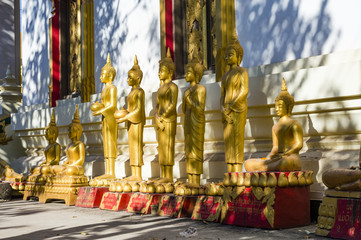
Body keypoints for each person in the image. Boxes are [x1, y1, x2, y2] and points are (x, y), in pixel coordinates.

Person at [244, 78, 303, 172]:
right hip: (277, 157)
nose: (277, 109)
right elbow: (275, 147)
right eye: (275, 106)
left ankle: (263, 169)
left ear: (288, 107)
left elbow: (299, 144)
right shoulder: (275, 127)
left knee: (284, 163)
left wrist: (286, 153)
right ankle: (265, 167)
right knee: (248, 163)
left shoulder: (294, 124)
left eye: (280, 106)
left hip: (291, 157)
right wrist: (269, 157)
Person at [220, 31, 249, 173]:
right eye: (226, 55)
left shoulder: (242, 72)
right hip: (226, 111)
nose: (226, 57)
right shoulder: (225, 76)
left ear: (238, 57)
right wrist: (222, 109)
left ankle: (237, 172)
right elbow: (222, 94)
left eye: (230, 54)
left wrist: (230, 107)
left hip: (237, 109)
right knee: (228, 141)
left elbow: (244, 91)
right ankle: (230, 171)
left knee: (237, 140)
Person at [115, 55, 145, 181]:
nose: (127, 80)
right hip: (131, 121)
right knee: (131, 146)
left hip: (136, 122)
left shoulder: (140, 92)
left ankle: (137, 174)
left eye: (130, 77)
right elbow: (131, 108)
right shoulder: (131, 93)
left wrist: (125, 117)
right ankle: (133, 173)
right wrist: (125, 112)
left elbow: (138, 110)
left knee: (137, 146)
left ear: (137, 79)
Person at [91, 54, 118, 180]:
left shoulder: (112, 88)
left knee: (111, 143)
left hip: (110, 118)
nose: (100, 76)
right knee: (106, 144)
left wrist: (101, 110)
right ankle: (108, 170)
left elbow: (112, 105)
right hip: (105, 118)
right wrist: (99, 106)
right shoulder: (104, 90)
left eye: (103, 73)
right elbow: (106, 104)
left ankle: (111, 172)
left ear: (110, 76)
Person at [155, 48, 178, 183]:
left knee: (168, 147)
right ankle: (163, 174)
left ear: (169, 72)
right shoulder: (160, 88)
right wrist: (157, 117)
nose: (159, 73)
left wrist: (162, 117)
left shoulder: (172, 87)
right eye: (159, 70)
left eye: (162, 71)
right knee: (162, 147)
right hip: (161, 121)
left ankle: (168, 175)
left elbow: (172, 105)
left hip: (168, 120)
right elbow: (158, 105)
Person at [182, 56, 206, 187]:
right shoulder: (187, 91)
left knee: (196, 150)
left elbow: (199, 108)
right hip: (188, 123)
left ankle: (196, 179)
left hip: (197, 123)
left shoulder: (201, 89)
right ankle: (190, 177)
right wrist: (185, 99)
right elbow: (184, 109)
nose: (185, 75)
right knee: (188, 149)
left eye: (189, 72)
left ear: (196, 74)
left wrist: (189, 100)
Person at [52, 106, 85, 176]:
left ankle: (63, 173)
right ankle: (62, 173)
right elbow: (69, 159)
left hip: (76, 167)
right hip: (69, 166)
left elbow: (81, 160)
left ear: (77, 131)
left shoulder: (80, 144)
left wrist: (71, 165)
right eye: (68, 130)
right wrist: (65, 163)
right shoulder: (69, 145)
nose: (68, 132)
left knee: (70, 170)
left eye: (71, 130)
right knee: (53, 168)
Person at [31, 109, 61, 175]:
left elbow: (57, 160)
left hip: (53, 166)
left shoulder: (56, 145)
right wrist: (44, 163)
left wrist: (48, 164)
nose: (45, 135)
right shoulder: (48, 146)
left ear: (53, 134)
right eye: (45, 133)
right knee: (33, 168)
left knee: (44, 170)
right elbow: (47, 159)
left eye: (47, 133)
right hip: (47, 165)